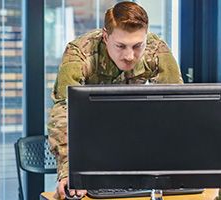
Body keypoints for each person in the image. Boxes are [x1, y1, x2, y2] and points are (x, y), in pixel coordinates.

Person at [47, 2, 182, 199]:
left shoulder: (156, 50)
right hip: (87, 138)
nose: (129, 56)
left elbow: (177, 107)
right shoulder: (79, 53)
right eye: (120, 46)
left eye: (137, 46)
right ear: (105, 36)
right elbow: (63, 111)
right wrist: (70, 171)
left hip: (133, 140)